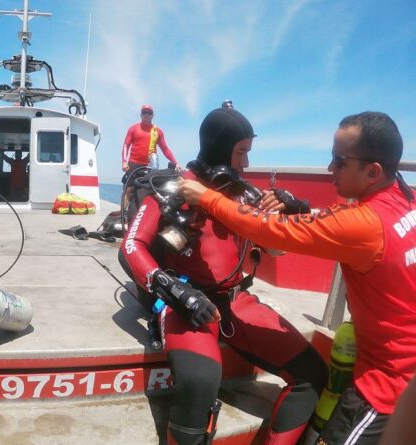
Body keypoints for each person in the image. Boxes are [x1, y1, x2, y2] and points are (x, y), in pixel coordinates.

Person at [178, 111, 416, 444]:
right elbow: (340, 220)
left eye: (338, 160)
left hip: (387, 386)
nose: (330, 167)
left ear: (373, 171)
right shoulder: (405, 198)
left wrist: (206, 197)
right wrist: (300, 206)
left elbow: (269, 231)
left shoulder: (366, 224)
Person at [120, 105, 327, 445]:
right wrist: (175, 292)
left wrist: (290, 212)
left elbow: (277, 250)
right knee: (201, 382)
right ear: (219, 148)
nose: (246, 163)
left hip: (236, 301)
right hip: (188, 303)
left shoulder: (243, 195)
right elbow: (131, 246)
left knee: (313, 373)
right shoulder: (174, 188)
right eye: (241, 152)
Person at [121, 105, 179, 210]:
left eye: (149, 113)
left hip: (149, 166)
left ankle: (141, 214)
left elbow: (165, 149)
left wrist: (175, 162)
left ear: (153, 115)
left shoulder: (157, 131)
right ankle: (122, 214)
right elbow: (126, 145)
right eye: (144, 112)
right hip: (133, 163)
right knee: (128, 190)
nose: (146, 115)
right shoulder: (133, 129)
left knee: (148, 189)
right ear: (141, 115)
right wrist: (124, 161)